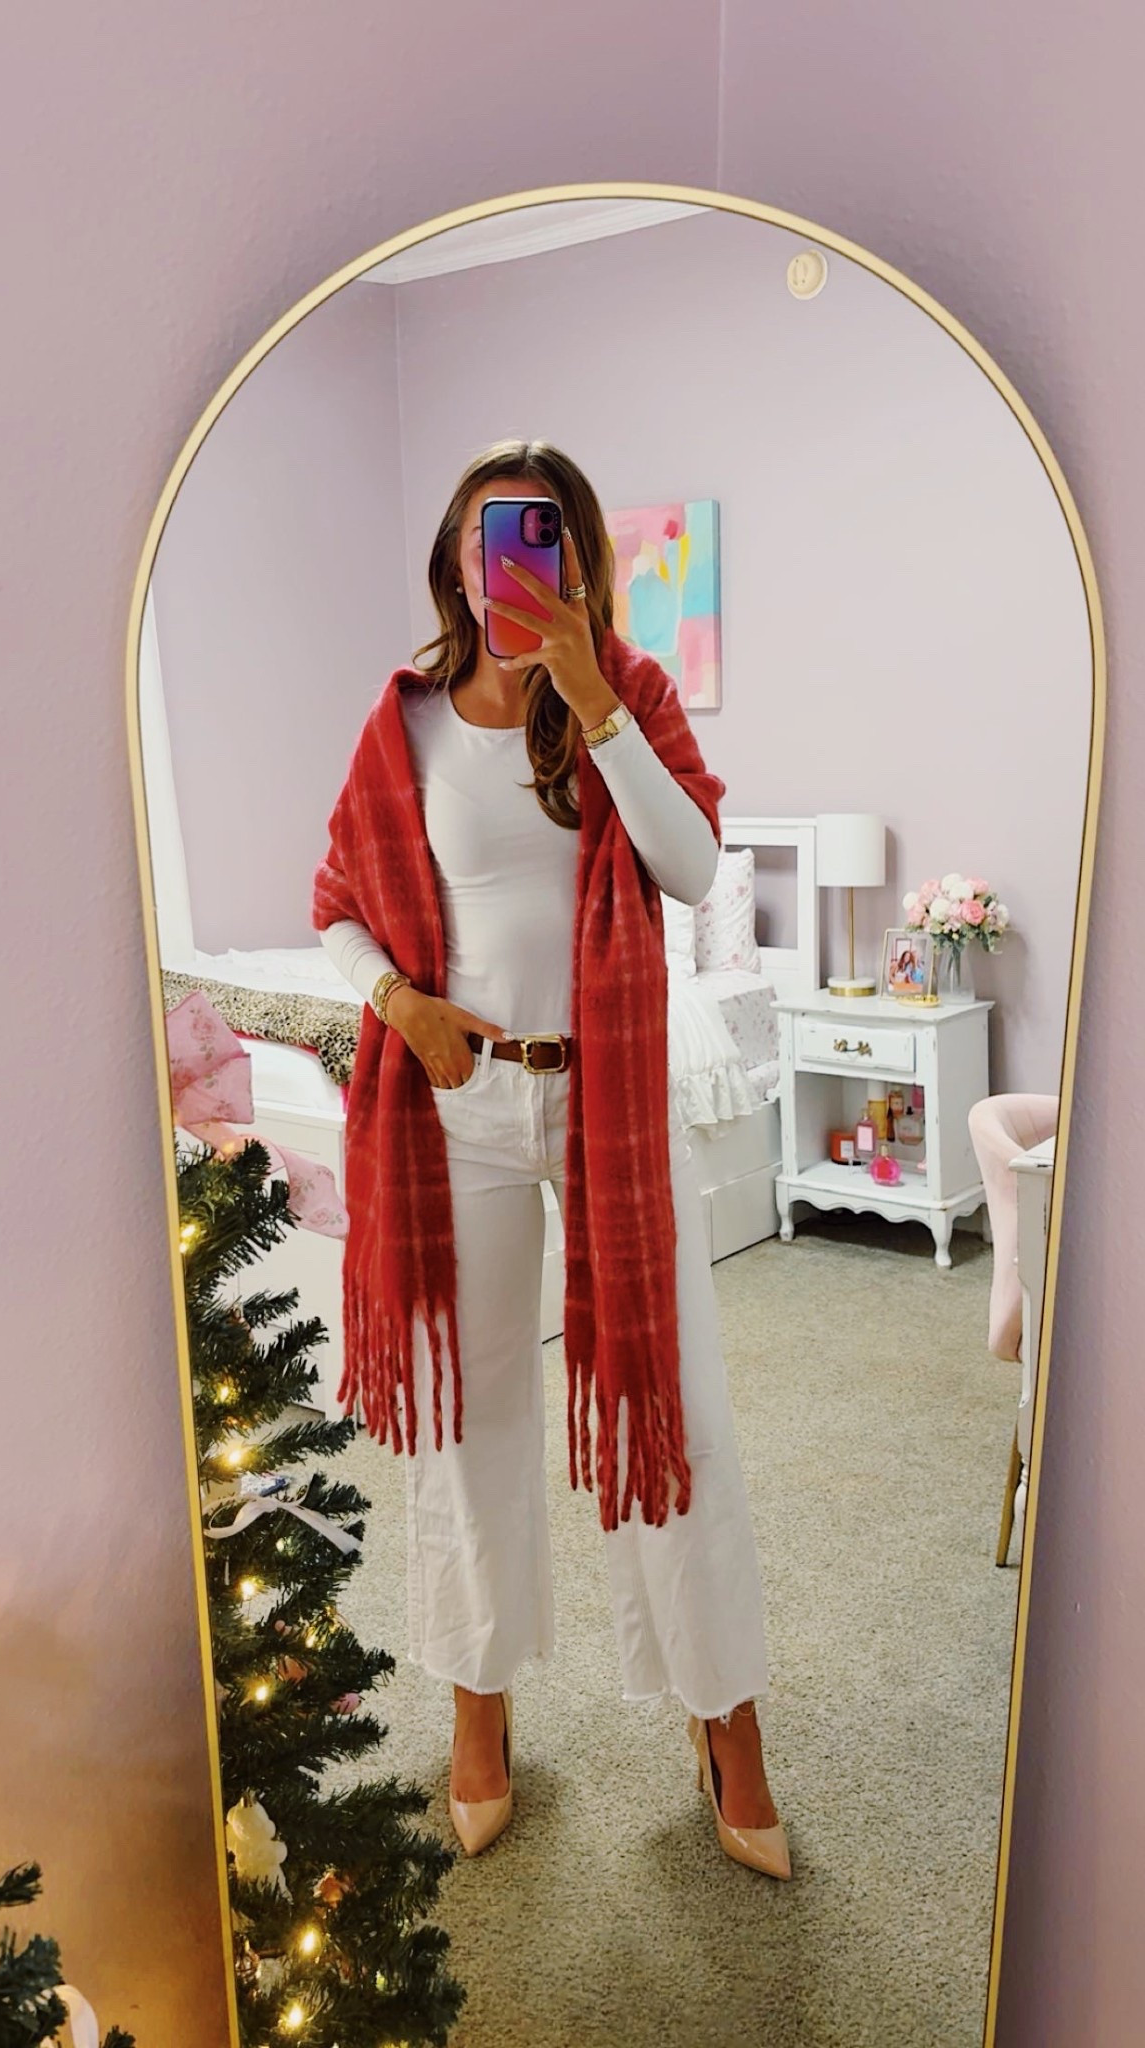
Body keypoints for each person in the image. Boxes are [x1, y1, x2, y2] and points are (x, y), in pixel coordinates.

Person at [312, 439, 789, 1878]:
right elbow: (338, 902)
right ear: (456, 563)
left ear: (576, 557)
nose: (506, 560)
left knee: (674, 1403)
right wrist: (400, 1006)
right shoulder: (401, 721)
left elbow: (691, 867)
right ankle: (480, 1703)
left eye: (535, 536)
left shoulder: (625, 693)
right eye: (485, 538)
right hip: (457, 1103)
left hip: (611, 1104)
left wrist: (595, 701)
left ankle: (725, 1717)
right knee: (472, 1418)